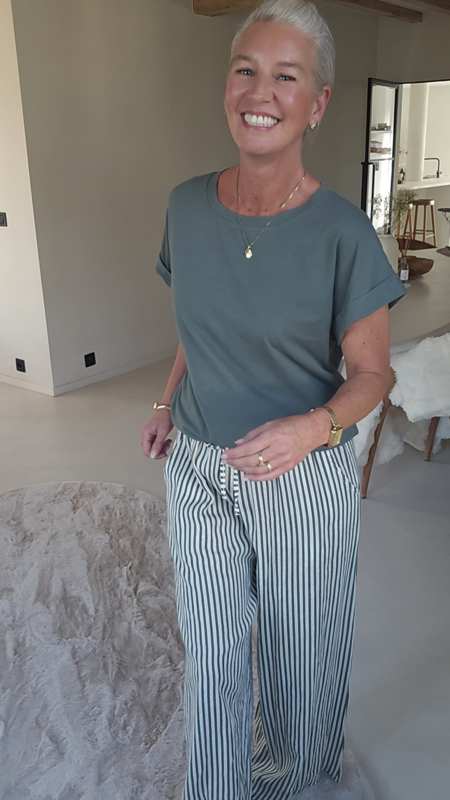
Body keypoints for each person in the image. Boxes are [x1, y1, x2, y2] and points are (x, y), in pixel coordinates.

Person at [141, 1, 406, 797]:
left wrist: (310, 429)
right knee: (212, 650)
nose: (260, 92)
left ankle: (301, 779)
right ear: (228, 85)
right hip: (198, 465)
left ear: (317, 104)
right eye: (246, 70)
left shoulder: (344, 233)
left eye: (286, 77)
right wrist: (165, 404)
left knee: (304, 653)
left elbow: (374, 375)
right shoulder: (185, 206)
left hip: (300, 472)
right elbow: (196, 322)